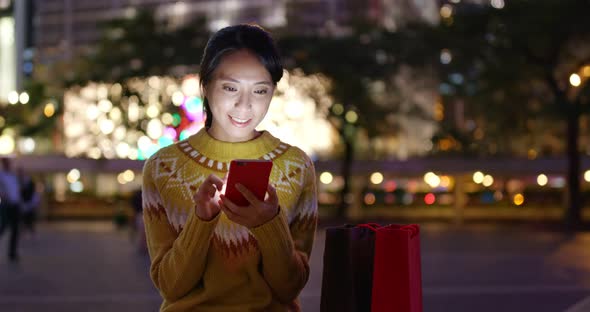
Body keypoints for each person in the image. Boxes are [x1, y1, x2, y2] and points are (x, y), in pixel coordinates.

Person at [142, 24, 318, 311]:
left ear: (273, 91)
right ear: (206, 85)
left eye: (260, 90)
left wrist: (268, 224)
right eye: (230, 87)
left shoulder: (295, 167)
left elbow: (289, 286)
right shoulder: (164, 167)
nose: (244, 105)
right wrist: (201, 221)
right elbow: (172, 286)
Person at [0, 158, 22, 261]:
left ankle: (12, 253)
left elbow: (16, 189)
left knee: (15, 229)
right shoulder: (1, 175)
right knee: (3, 227)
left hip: (15, 204)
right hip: (6, 205)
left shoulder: (13, 176)